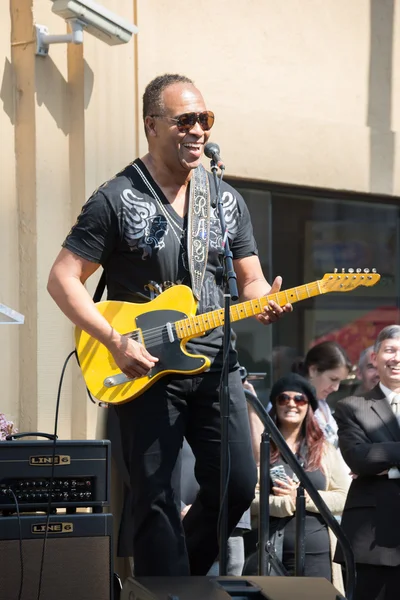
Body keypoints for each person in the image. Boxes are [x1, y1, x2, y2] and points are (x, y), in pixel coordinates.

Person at [47, 73, 292, 576]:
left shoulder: (225, 200)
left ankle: (178, 574)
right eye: (185, 120)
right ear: (151, 125)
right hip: (146, 359)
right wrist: (114, 341)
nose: (197, 130)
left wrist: (265, 299)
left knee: (237, 484)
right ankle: (167, 589)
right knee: (154, 491)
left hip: (216, 358)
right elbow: (63, 279)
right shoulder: (115, 198)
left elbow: (251, 281)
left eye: (205, 119)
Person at [245, 373, 348, 593]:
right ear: (275, 404)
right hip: (266, 552)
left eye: (299, 399)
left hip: (317, 556)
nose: (291, 404)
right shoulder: (260, 448)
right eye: (283, 398)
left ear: (308, 406)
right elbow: (245, 497)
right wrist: (280, 504)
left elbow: (343, 496)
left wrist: (302, 497)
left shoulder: (324, 449)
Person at [334, 325, 400, 600]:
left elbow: (372, 456)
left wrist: (388, 467)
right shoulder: (352, 406)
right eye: (390, 350)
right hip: (373, 543)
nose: (396, 358)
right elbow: (360, 459)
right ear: (374, 357)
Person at [292, 341, 351, 447]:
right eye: (333, 379)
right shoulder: (292, 403)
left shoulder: (322, 403)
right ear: (313, 370)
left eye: (339, 382)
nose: (336, 388)